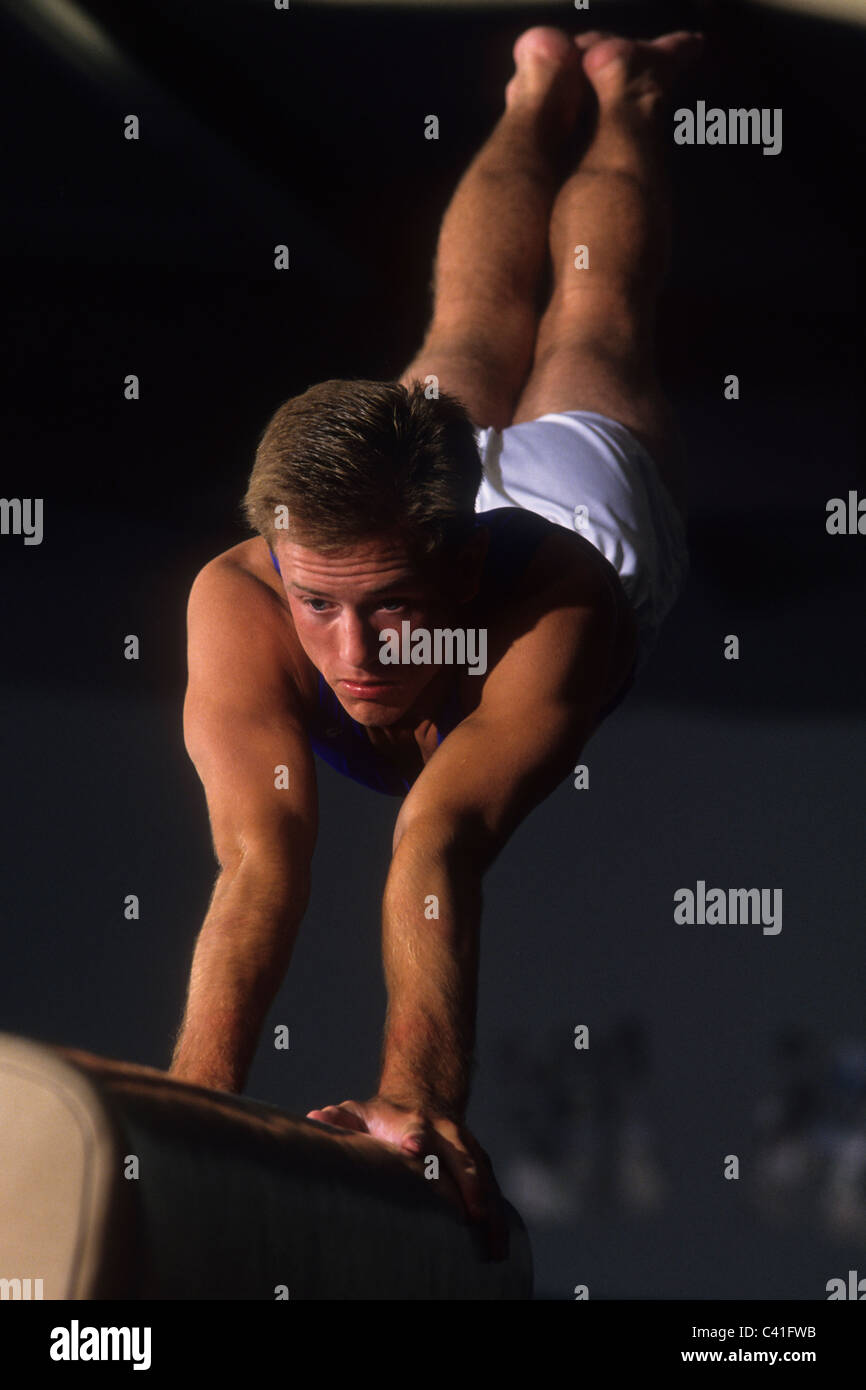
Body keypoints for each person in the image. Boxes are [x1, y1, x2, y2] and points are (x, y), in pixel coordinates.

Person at [170, 26, 702, 1261]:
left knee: (590, 313)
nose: (349, 654)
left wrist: (418, 1100)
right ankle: (533, 89)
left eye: (390, 606)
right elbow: (260, 857)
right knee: (468, 310)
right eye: (317, 605)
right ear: (276, 563)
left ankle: (628, 94)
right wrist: (188, 1108)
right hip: (415, 487)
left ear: (456, 558)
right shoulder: (242, 597)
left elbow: (441, 835)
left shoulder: (556, 602)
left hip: (577, 502)